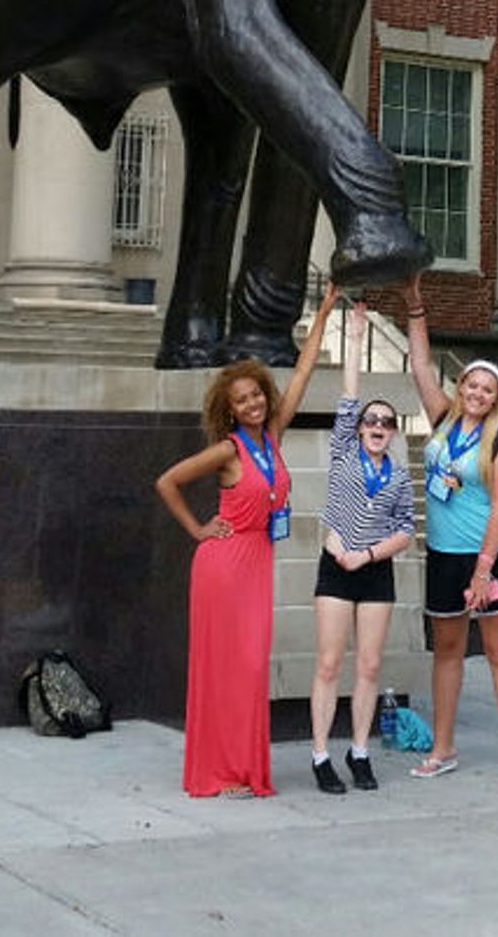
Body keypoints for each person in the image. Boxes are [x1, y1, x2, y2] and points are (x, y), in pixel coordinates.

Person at [155, 282, 340, 797]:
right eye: (242, 400)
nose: (253, 403)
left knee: (252, 667)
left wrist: (322, 313)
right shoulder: (228, 450)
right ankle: (221, 771)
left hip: (258, 560)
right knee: (227, 669)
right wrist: (197, 529)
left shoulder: (273, 436)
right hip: (223, 564)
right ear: (230, 409)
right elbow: (167, 481)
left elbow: (302, 373)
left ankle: (241, 767)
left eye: (257, 393)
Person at [404, 276, 498, 789]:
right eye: (471, 385)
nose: (477, 394)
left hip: (490, 557)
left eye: (487, 390)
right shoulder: (442, 422)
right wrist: (415, 308)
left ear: (497, 398)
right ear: (461, 387)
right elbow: (418, 366)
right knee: (448, 651)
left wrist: (482, 572)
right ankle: (443, 746)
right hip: (443, 554)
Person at [309, 298, 415, 794]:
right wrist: (354, 336)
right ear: (359, 428)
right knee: (330, 662)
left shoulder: (398, 473)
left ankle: (360, 751)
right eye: (371, 419)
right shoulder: (345, 448)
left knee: (369, 664)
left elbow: (407, 530)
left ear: (393, 433)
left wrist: (368, 554)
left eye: (386, 422)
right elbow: (349, 392)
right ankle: (320, 754)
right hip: (335, 567)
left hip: (373, 570)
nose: (377, 425)